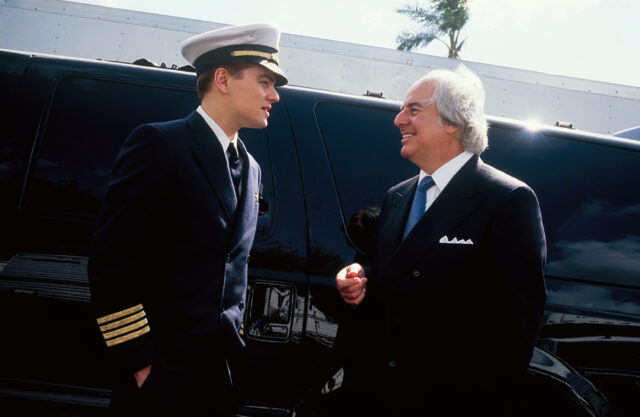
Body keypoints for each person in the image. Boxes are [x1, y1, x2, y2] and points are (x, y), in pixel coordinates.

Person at [88, 23, 287, 417]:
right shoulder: (160, 145)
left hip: (219, 377)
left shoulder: (251, 168)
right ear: (223, 78)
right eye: (265, 81)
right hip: (160, 376)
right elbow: (112, 265)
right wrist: (141, 363)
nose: (275, 95)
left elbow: (232, 271)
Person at [335, 65, 546, 416]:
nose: (398, 120)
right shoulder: (398, 196)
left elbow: (515, 330)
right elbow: (390, 269)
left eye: (413, 109)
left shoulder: (507, 199)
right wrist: (358, 276)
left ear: (453, 121)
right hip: (372, 397)